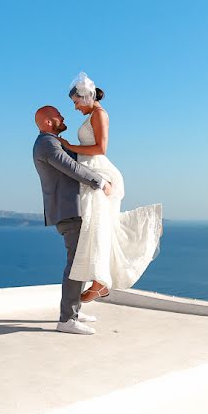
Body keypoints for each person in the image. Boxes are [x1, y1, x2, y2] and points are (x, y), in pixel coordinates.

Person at [58, 72, 162, 303]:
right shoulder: (91, 115)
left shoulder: (100, 114)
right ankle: (99, 282)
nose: (75, 108)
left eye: (76, 102)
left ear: (85, 97)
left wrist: (69, 146)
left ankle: (99, 282)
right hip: (92, 173)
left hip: (102, 173)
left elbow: (100, 148)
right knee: (96, 225)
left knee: (99, 226)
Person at [33, 105, 113, 335]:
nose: (63, 117)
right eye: (58, 115)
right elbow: (72, 168)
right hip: (68, 211)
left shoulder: (53, 142)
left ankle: (74, 310)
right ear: (48, 122)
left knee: (81, 261)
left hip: (74, 210)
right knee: (75, 264)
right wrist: (100, 182)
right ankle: (67, 319)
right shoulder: (47, 144)